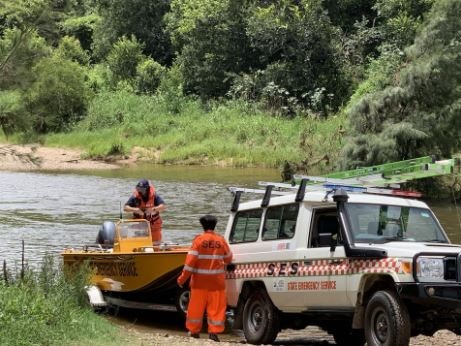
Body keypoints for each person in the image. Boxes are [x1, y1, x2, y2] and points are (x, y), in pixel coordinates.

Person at [177, 214, 233, 342]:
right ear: (214, 225)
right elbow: (228, 258)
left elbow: (189, 264)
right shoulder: (221, 240)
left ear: (202, 226)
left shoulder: (198, 240)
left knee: (195, 308)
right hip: (217, 282)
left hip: (199, 282)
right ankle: (214, 333)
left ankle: (194, 331)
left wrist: (181, 279)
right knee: (216, 308)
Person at [123, 179, 166, 244]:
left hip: (153, 224)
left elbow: (163, 206)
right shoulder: (135, 197)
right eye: (139, 189)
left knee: (156, 243)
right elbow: (125, 208)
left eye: (142, 189)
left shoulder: (155, 196)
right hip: (139, 224)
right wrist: (136, 210)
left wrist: (153, 209)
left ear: (147, 189)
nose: (140, 191)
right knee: (138, 243)